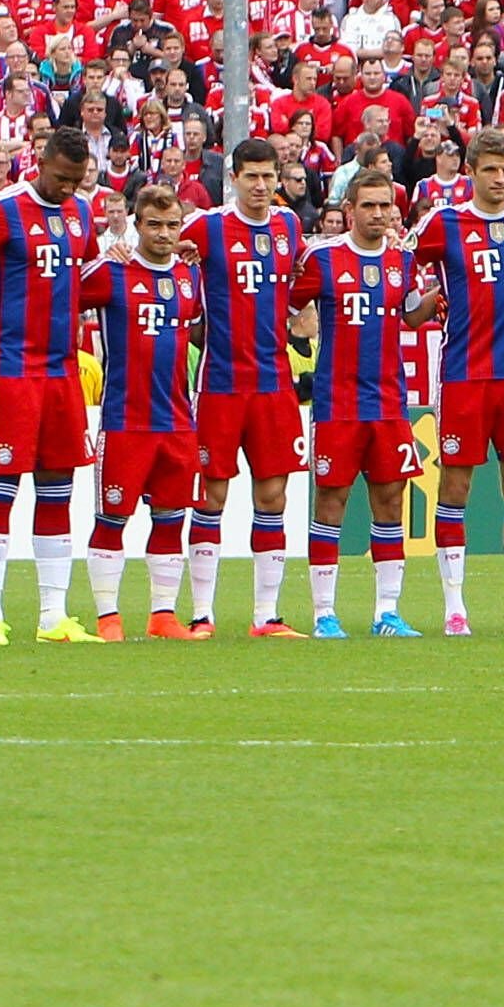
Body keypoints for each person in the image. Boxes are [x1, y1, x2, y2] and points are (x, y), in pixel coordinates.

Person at [0, 121, 104, 645]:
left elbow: (87, 281)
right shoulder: (2, 208)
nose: (68, 189)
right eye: (62, 178)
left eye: (77, 180)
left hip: (63, 372)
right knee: (1, 486)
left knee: (58, 489)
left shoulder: (82, 214)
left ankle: (52, 617)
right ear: (40, 163)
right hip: (10, 369)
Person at [411, 124, 504, 635]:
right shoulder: (443, 224)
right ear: (468, 172)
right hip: (464, 373)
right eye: (489, 169)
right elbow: (404, 269)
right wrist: (422, 305)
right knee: (455, 485)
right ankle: (454, 608)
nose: (500, 179)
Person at [287, 162, 424, 639]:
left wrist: (443, 296)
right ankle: (324, 612)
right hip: (337, 403)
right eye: (368, 205)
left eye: (385, 206)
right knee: (331, 502)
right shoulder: (323, 260)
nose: (378, 214)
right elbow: (286, 305)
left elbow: (410, 315)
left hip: (388, 403)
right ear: (348, 211)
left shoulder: (402, 261)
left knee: (390, 502)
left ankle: (387, 611)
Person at [183, 136, 311, 638]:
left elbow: (298, 281)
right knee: (212, 494)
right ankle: (201, 614)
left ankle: (266, 616)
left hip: (274, 382)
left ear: (278, 178)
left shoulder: (288, 225)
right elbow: (164, 248)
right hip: (219, 381)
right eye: (250, 176)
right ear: (232, 178)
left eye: (267, 176)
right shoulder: (208, 227)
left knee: (273, 495)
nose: (260, 186)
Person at [77, 181, 204, 640]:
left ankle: (163, 615)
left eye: (173, 225)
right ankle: (108, 617)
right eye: (154, 225)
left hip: (176, 419)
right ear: (137, 224)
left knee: (171, 517)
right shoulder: (111, 273)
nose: (165, 234)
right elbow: (61, 299)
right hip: (124, 417)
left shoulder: (190, 277)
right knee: (112, 518)